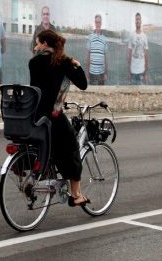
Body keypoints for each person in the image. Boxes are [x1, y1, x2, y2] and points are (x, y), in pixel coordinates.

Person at [29, 29, 89, 207]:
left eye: (38, 43)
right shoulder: (63, 62)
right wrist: (76, 65)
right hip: (53, 116)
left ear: (45, 44)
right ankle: (76, 194)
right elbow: (83, 84)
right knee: (72, 148)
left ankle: (50, 172)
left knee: (54, 144)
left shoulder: (33, 62)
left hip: (36, 116)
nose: (36, 46)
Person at [85, 14, 108, 85]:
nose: (98, 24)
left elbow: (106, 58)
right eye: (96, 22)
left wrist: (106, 73)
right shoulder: (90, 37)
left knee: (101, 93)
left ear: (101, 23)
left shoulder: (105, 39)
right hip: (92, 73)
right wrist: (87, 72)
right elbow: (87, 56)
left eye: (99, 22)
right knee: (92, 94)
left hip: (101, 73)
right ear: (95, 23)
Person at [127, 12, 149, 84]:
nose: (137, 21)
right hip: (133, 71)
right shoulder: (131, 35)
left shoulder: (144, 36)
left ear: (141, 21)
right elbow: (129, 54)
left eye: (139, 19)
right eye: (136, 19)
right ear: (135, 21)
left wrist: (145, 73)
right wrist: (129, 71)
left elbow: (146, 55)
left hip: (141, 71)